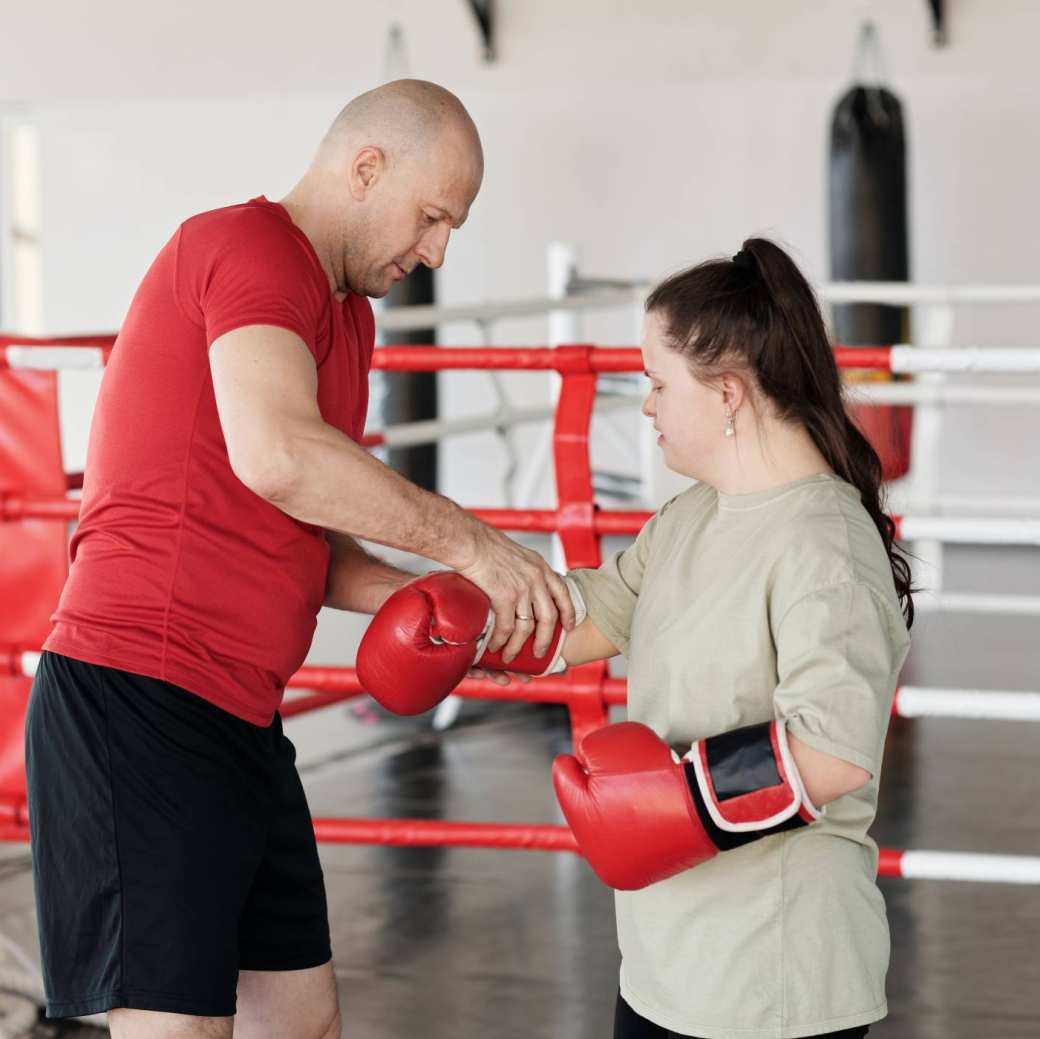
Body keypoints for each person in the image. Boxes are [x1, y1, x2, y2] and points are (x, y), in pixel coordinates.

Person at [25, 79, 574, 1039]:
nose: (437, 250)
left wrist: (444, 607)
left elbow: (297, 537)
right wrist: (478, 545)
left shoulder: (345, 316)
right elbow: (277, 454)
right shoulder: (245, 247)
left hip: (236, 716)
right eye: (432, 216)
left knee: (299, 1017)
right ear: (366, 169)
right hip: (138, 701)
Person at [553, 239, 915, 1038]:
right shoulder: (693, 514)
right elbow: (597, 612)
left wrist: (670, 803)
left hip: (770, 986)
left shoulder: (824, 541)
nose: (645, 404)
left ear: (726, 392)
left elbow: (835, 748)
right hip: (663, 965)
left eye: (656, 381)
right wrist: (471, 618)